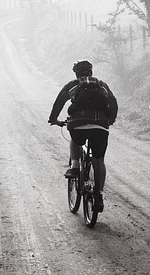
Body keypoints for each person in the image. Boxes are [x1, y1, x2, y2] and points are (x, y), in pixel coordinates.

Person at [48, 59, 118, 213]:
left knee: (75, 141)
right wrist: (110, 120)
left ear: (76, 73)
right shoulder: (101, 85)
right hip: (101, 126)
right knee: (99, 160)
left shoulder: (72, 85)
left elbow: (59, 102)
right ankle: (98, 194)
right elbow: (113, 102)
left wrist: (53, 119)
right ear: (91, 71)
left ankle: (74, 166)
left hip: (78, 125)